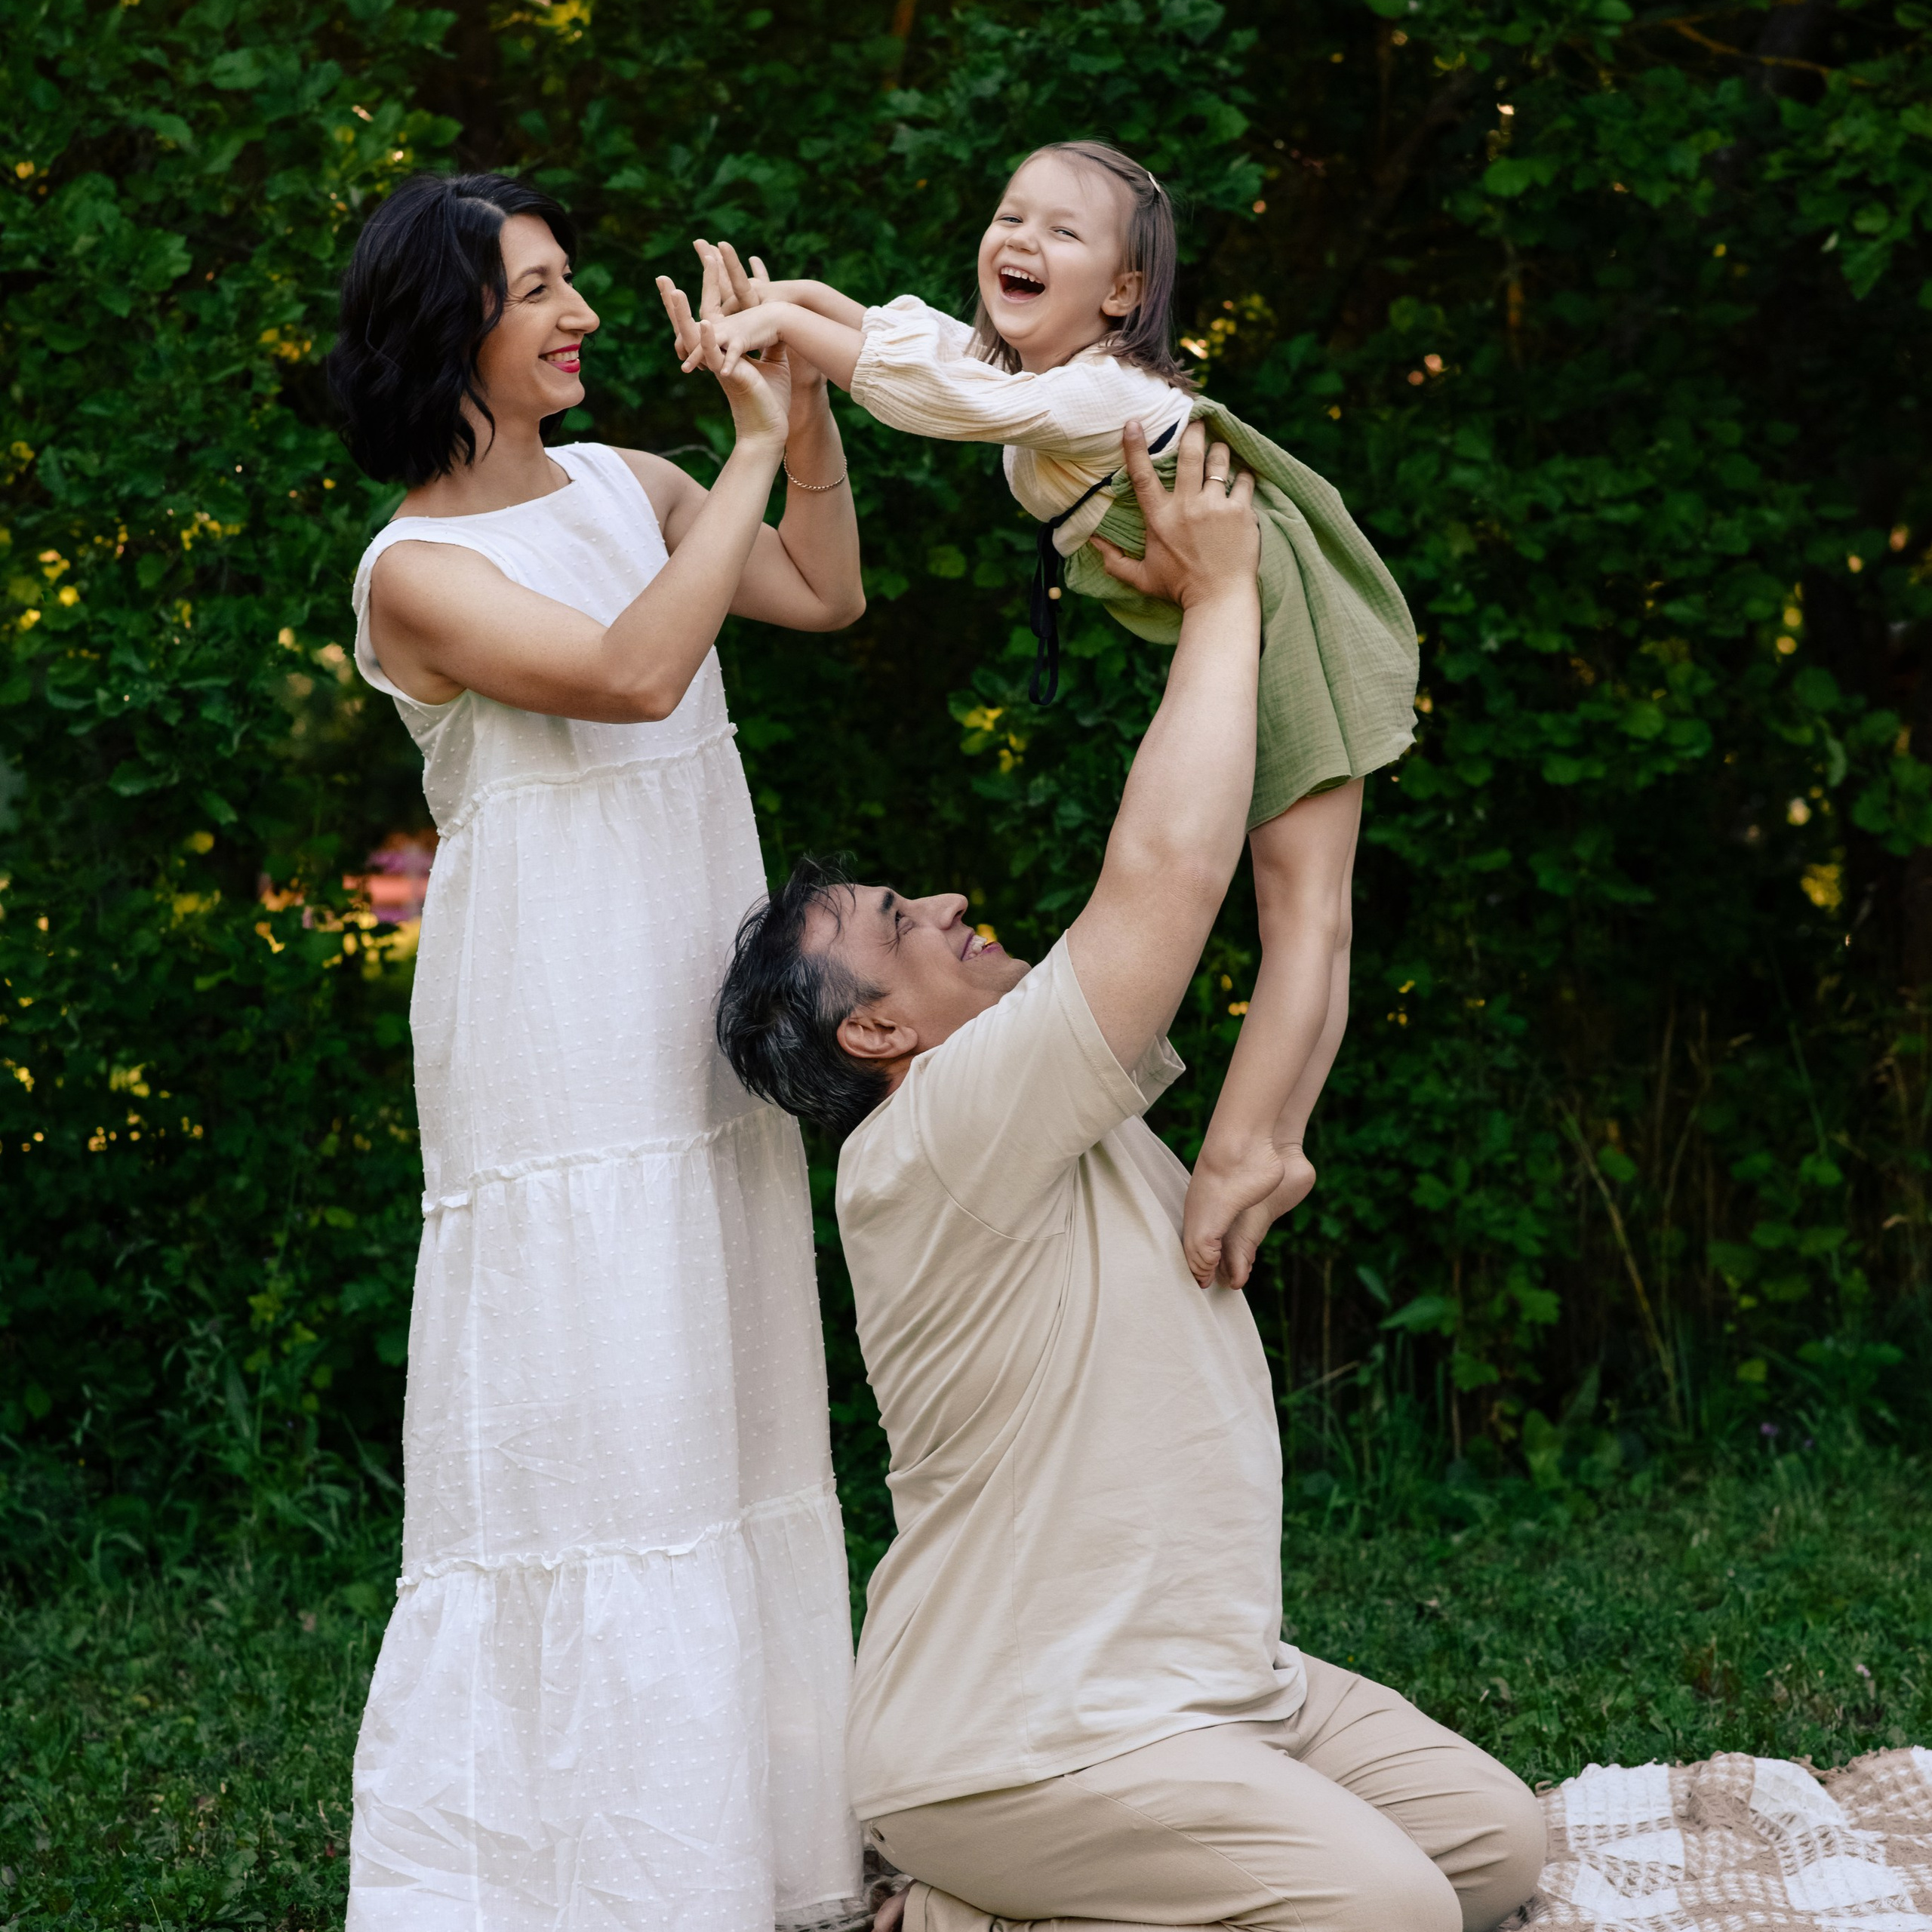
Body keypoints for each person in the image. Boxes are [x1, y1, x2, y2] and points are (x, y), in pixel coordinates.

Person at [715, 420, 1543, 1932]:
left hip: (1218, 1688)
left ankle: (990, 1910)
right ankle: (960, 1900)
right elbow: (1165, 874)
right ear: (878, 1030)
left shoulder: (1026, 1103)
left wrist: (1260, 613)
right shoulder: (932, 1132)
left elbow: (1302, 927)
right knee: (1389, 1914)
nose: (948, 902)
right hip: (1018, 1735)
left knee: (1493, 1851)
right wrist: (1219, 596)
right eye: (902, 920)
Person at [328, 172, 866, 1930]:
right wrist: (741, 443)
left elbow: (822, 590)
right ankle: (561, 1866)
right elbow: (637, 672)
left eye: (571, 281)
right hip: (553, 1020)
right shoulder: (415, 572)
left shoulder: (636, 484)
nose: (578, 317)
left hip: (687, 986)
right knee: (595, 1396)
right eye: (539, 290)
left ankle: (746, 1840)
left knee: (719, 1384)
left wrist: (797, 420)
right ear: (449, 331)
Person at [684, 140, 1420, 1294]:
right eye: (1011, 216)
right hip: (1240, 596)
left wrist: (779, 329)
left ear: (1122, 293)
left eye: (1062, 232)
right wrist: (790, 307)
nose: (1021, 240)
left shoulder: (1096, 388)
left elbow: (949, 398)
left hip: (1282, 595)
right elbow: (919, 343)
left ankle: (1253, 1142)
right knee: (1308, 914)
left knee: (1306, 912)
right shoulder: (1029, 373)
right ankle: (1271, 1142)